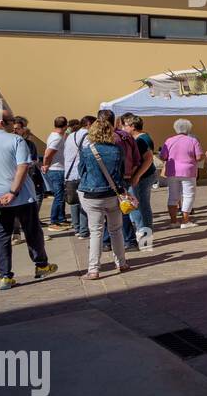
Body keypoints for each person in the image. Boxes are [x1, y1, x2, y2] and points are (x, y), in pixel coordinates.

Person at [0, 106, 58, 290]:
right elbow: (22, 167)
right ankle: (41, 265)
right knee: (32, 232)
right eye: (11, 121)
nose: (14, 124)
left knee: (2, 236)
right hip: (22, 197)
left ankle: (5, 276)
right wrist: (13, 192)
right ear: (1, 123)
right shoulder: (16, 140)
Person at [77, 116, 131, 280]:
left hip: (92, 194)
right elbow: (121, 173)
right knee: (116, 230)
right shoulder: (117, 150)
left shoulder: (87, 151)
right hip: (112, 194)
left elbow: (81, 172)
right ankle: (121, 263)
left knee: (96, 232)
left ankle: (93, 269)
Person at [159, 119, 203, 228]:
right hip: (188, 171)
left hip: (172, 171)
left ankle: (173, 221)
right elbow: (199, 157)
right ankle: (185, 221)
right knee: (188, 195)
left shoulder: (169, 140)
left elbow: (162, 156)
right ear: (189, 129)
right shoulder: (193, 141)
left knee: (173, 196)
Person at [121, 116, 156, 249]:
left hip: (143, 177)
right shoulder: (142, 137)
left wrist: (137, 176)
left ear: (132, 126)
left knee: (137, 207)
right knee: (143, 207)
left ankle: (144, 237)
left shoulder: (141, 139)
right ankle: (145, 237)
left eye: (125, 125)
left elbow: (148, 159)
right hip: (143, 176)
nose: (123, 128)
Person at [62, 116, 95, 238]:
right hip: (81, 174)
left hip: (70, 174)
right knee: (84, 204)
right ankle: (84, 231)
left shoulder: (71, 135)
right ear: (88, 124)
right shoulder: (87, 136)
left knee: (74, 203)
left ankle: (77, 228)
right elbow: (90, 154)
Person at [41, 116, 69, 229]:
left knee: (61, 196)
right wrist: (46, 164)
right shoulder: (57, 138)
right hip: (56, 169)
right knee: (58, 196)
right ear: (65, 126)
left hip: (57, 169)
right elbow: (48, 154)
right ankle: (54, 221)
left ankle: (61, 219)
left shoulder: (55, 135)